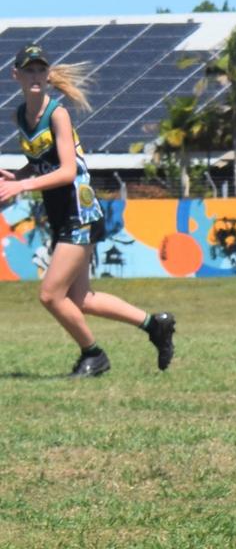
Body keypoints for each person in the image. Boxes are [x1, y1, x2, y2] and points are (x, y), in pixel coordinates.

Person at [0, 45, 175, 376]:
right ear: (16, 75)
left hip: (79, 213)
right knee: (83, 300)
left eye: (41, 69)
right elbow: (42, 160)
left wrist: (22, 186)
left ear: (48, 75)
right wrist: (20, 174)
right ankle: (156, 325)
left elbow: (68, 171)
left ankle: (93, 355)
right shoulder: (21, 115)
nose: (36, 75)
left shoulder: (57, 114)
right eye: (29, 70)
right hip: (61, 213)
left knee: (51, 295)